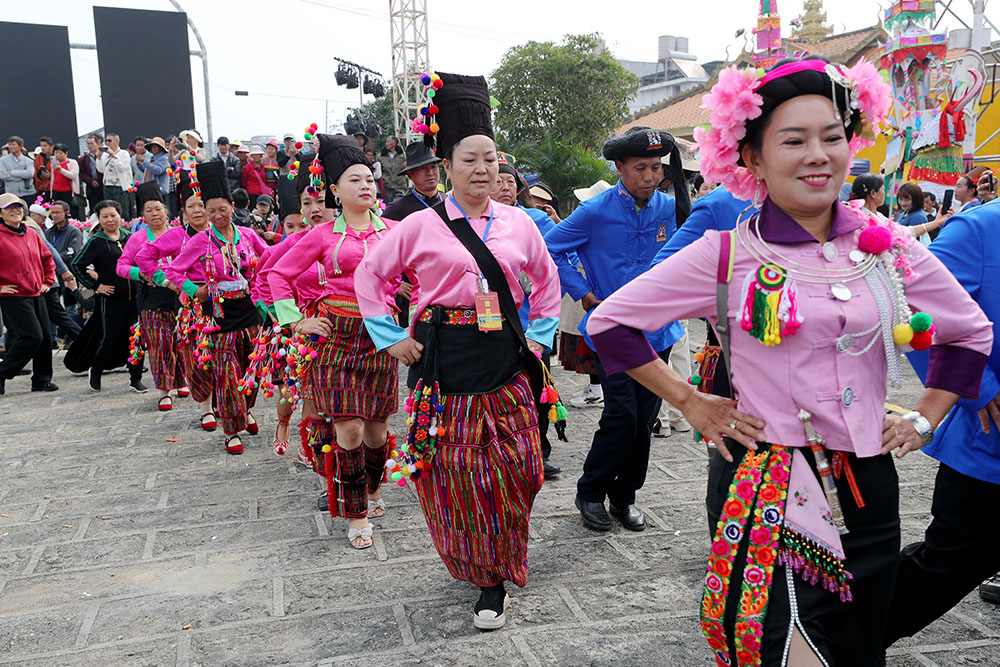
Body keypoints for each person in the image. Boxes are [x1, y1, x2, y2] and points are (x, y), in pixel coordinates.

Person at [585, 55, 992, 666]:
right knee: (783, 651)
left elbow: (969, 332)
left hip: (869, 489)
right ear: (751, 158)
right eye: (794, 140)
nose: (818, 155)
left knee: (858, 648)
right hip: (767, 486)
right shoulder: (723, 255)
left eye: (833, 137)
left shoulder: (889, 245)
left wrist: (927, 416)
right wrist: (692, 401)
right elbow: (610, 324)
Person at [354, 72, 561, 630]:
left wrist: (539, 341)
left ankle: (502, 547)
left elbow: (546, 285)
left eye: (491, 159)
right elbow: (370, 278)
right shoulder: (418, 225)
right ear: (447, 165)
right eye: (470, 159)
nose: (482, 169)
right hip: (444, 361)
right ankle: (488, 579)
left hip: (508, 359)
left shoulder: (521, 224)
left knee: (522, 468)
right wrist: (391, 337)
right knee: (458, 475)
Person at [544, 126, 691, 533]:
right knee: (622, 414)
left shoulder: (670, 208)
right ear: (620, 167)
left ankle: (624, 496)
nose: (649, 176)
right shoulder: (596, 210)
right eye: (640, 167)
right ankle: (590, 491)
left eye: (656, 168)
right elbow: (553, 248)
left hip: (658, 331)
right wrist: (585, 294)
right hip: (612, 332)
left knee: (645, 418)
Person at [270, 135, 400, 549]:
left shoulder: (396, 232)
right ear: (334, 189)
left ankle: (373, 487)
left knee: (377, 433)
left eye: (369, 179)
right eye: (354, 179)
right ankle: (356, 511)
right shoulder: (323, 235)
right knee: (348, 430)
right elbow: (278, 275)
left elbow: (423, 277)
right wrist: (298, 320)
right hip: (335, 337)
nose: (365, 186)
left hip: (381, 337)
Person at [883, 195, 1000, 649]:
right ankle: (839, 637)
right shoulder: (980, 228)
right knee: (948, 564)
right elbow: (913, 308)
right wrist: (977, 385)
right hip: (989, 440)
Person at [162, 160, 267, 454]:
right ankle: (232, 429)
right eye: (211, 212)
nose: (218, 216)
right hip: (217, 316)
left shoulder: (247, 235)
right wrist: (194, 290)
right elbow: (173, 270)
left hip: (248, 312)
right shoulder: (200, 241)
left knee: (252, 369)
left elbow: (271, 256)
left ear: (233, 206)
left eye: (222, 209)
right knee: (226, 373)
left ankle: (245, 409)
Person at [491, 151, 562, 478]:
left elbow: (555, 266)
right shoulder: (473, 222)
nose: (505, 187)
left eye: (511, 181)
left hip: (532, 323)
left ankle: (538, 450)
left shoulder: (539, 221)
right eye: (499, 180)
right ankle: (501, 448)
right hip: (491, 324)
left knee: (537, 388)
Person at [136, 172, 217, 430]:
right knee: (198, 359)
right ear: (183, 210)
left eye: (202, 205)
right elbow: (144, 258)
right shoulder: (177, 236)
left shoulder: (226, 234)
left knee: (228, 358)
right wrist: (168, 281)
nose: (197, 210)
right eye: (191, 205)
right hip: (192, 307)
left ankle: (230, 406)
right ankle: (206, 409)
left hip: (227, 306)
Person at [116, 181, 188, 410]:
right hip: (152, 297)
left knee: (180, 341)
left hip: (180, 295)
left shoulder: (180, 234)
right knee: (159, 344)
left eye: (158, 208)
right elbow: (121, 267)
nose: (155, 213)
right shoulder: (137, 239)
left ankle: (180, 380)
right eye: (149, 210)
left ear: (166, 211)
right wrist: (142, 274)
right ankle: (164, 391)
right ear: (142, 215)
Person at [70, 199, 147, 393]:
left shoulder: (131, 237)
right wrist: (96, 286)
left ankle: (135, 377)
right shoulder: (96, 242)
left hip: (135, 298)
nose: (110, 219)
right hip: (111, 299)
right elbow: (77, 265)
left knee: (137, 338)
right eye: (105, 216)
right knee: (110, 338)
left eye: (113, 215)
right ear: (99, 220)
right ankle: (95, 370)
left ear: (120, 216)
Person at [382, 141, 444, 330]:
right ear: (410, 174)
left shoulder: (451, 203)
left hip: (447, 289)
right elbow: (378, 251)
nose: (431, 173)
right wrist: (397, 285)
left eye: (433, 167)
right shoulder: (397, 210)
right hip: (412, 293)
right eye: (423, 169)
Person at [0, 193, 57, 395]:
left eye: (18, 206)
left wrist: (47, 281)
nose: (15, 210)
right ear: (0, 213)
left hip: (36, 291)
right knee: (32, 336)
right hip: (13, 295)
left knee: (45, 339)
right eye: (9, 208)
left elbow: (47, 258)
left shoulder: (31, 232)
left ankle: (41, 380)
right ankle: (2, 372)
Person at [96, 133, 135, 221]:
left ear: (117, 142)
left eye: (109, 141)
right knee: (110, 209)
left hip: (121, 187)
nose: (107, 143)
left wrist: (113, 156)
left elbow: (122, 168)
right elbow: (101, 170)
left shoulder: (124, 153)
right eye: (106, 141)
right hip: (108, 186)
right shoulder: (105, 155)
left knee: (123, 212)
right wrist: (99, 158)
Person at [49, 143, 81, 220]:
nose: (57, 155)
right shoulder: (54, 164)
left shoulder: (72, 162)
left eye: (60, 153)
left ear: (66, 153)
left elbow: (73, 175)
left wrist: (61, 170)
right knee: (58, 212)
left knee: (71, 213)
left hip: (68, 192)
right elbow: (53, 178)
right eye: (56, 153)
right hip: (56, 191)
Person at [1, 137, 36, 201]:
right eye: (10, 145)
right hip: (11, 194)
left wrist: (12, 172)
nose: (11, 147)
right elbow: (3, 175)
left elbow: (29, 174)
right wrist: (22, 175)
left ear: (20, 146)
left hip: (28, 193)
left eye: (13, 144)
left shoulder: (29, 161)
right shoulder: (3, 160)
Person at [79, 135, 104, 216]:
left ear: (98, 144)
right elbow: (81, 173)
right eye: (88, 144)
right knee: (94, 210)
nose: (90, 146)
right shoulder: (84, 158)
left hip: (104, 186)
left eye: (92, 143)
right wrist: (90, 181)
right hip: (92, 188)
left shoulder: (104, 156)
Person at [378, 135, 407, 202]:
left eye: (388, 142)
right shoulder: (381, 157)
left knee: (399, 204)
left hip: (400, 185)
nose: (386, 144)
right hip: (387, 186)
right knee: (387, 206)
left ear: (394, 143)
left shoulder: (403, 156)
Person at [33, 137, 53, 202]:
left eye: (45, 146)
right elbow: (36, 172)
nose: (42, 147)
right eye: (41, 145)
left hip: (53, 188)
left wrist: (51, 175)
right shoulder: (39, 156)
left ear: (51, 147)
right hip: (41, 187)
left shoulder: (56, 156)